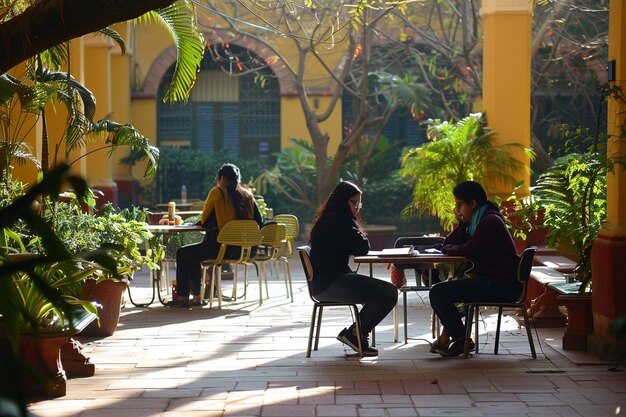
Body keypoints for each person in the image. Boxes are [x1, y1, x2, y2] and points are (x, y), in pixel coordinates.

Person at [428, 180, 521, 357]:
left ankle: (460, 339)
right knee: (444, 290)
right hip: (492, 281)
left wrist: (447, 248)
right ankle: (457, 338)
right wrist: (461, 224)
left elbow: (470, 250)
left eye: (459, 205)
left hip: (501, 285)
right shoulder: (476, 221)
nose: (457, 210)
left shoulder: (490, 221)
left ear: (473, 203)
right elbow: (449, 243)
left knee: (439, 293)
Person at [309, 181, 398, 356]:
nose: (357, 208)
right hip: (330, 284)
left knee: (379, 291)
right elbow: (362, 247)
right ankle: (355, 334)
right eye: (354, 203)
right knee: (388, 293)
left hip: (328, 281)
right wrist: (355, 227)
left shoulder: (332, 218)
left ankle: (357, 333)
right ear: (343, 201)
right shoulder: (336, 221)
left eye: (359, 203)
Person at [169, 163, 263, 307]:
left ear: (222, 178)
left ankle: (184, 296)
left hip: (221, 248)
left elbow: (204, 219)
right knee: (192, 253)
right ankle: (196, 298)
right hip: (245, 250)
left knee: (183, 253)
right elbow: (259, 222)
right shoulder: (248, 195)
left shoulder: (217, 192)